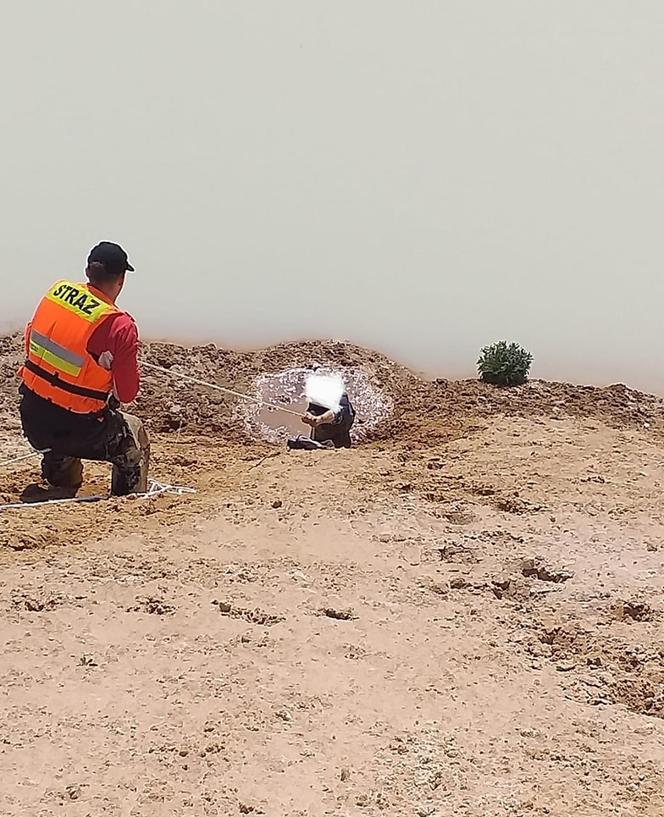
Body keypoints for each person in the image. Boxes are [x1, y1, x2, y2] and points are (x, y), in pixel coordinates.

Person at [18, 242, 149, 496]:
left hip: (32, 417)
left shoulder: (57, 292)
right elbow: (127, 394)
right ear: (121, 280)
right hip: (78, 427)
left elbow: (32, 342)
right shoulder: (119, 326)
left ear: (88, 272)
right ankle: (127, 502)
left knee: (58, 428)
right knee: (132, 437)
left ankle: (61, 478)